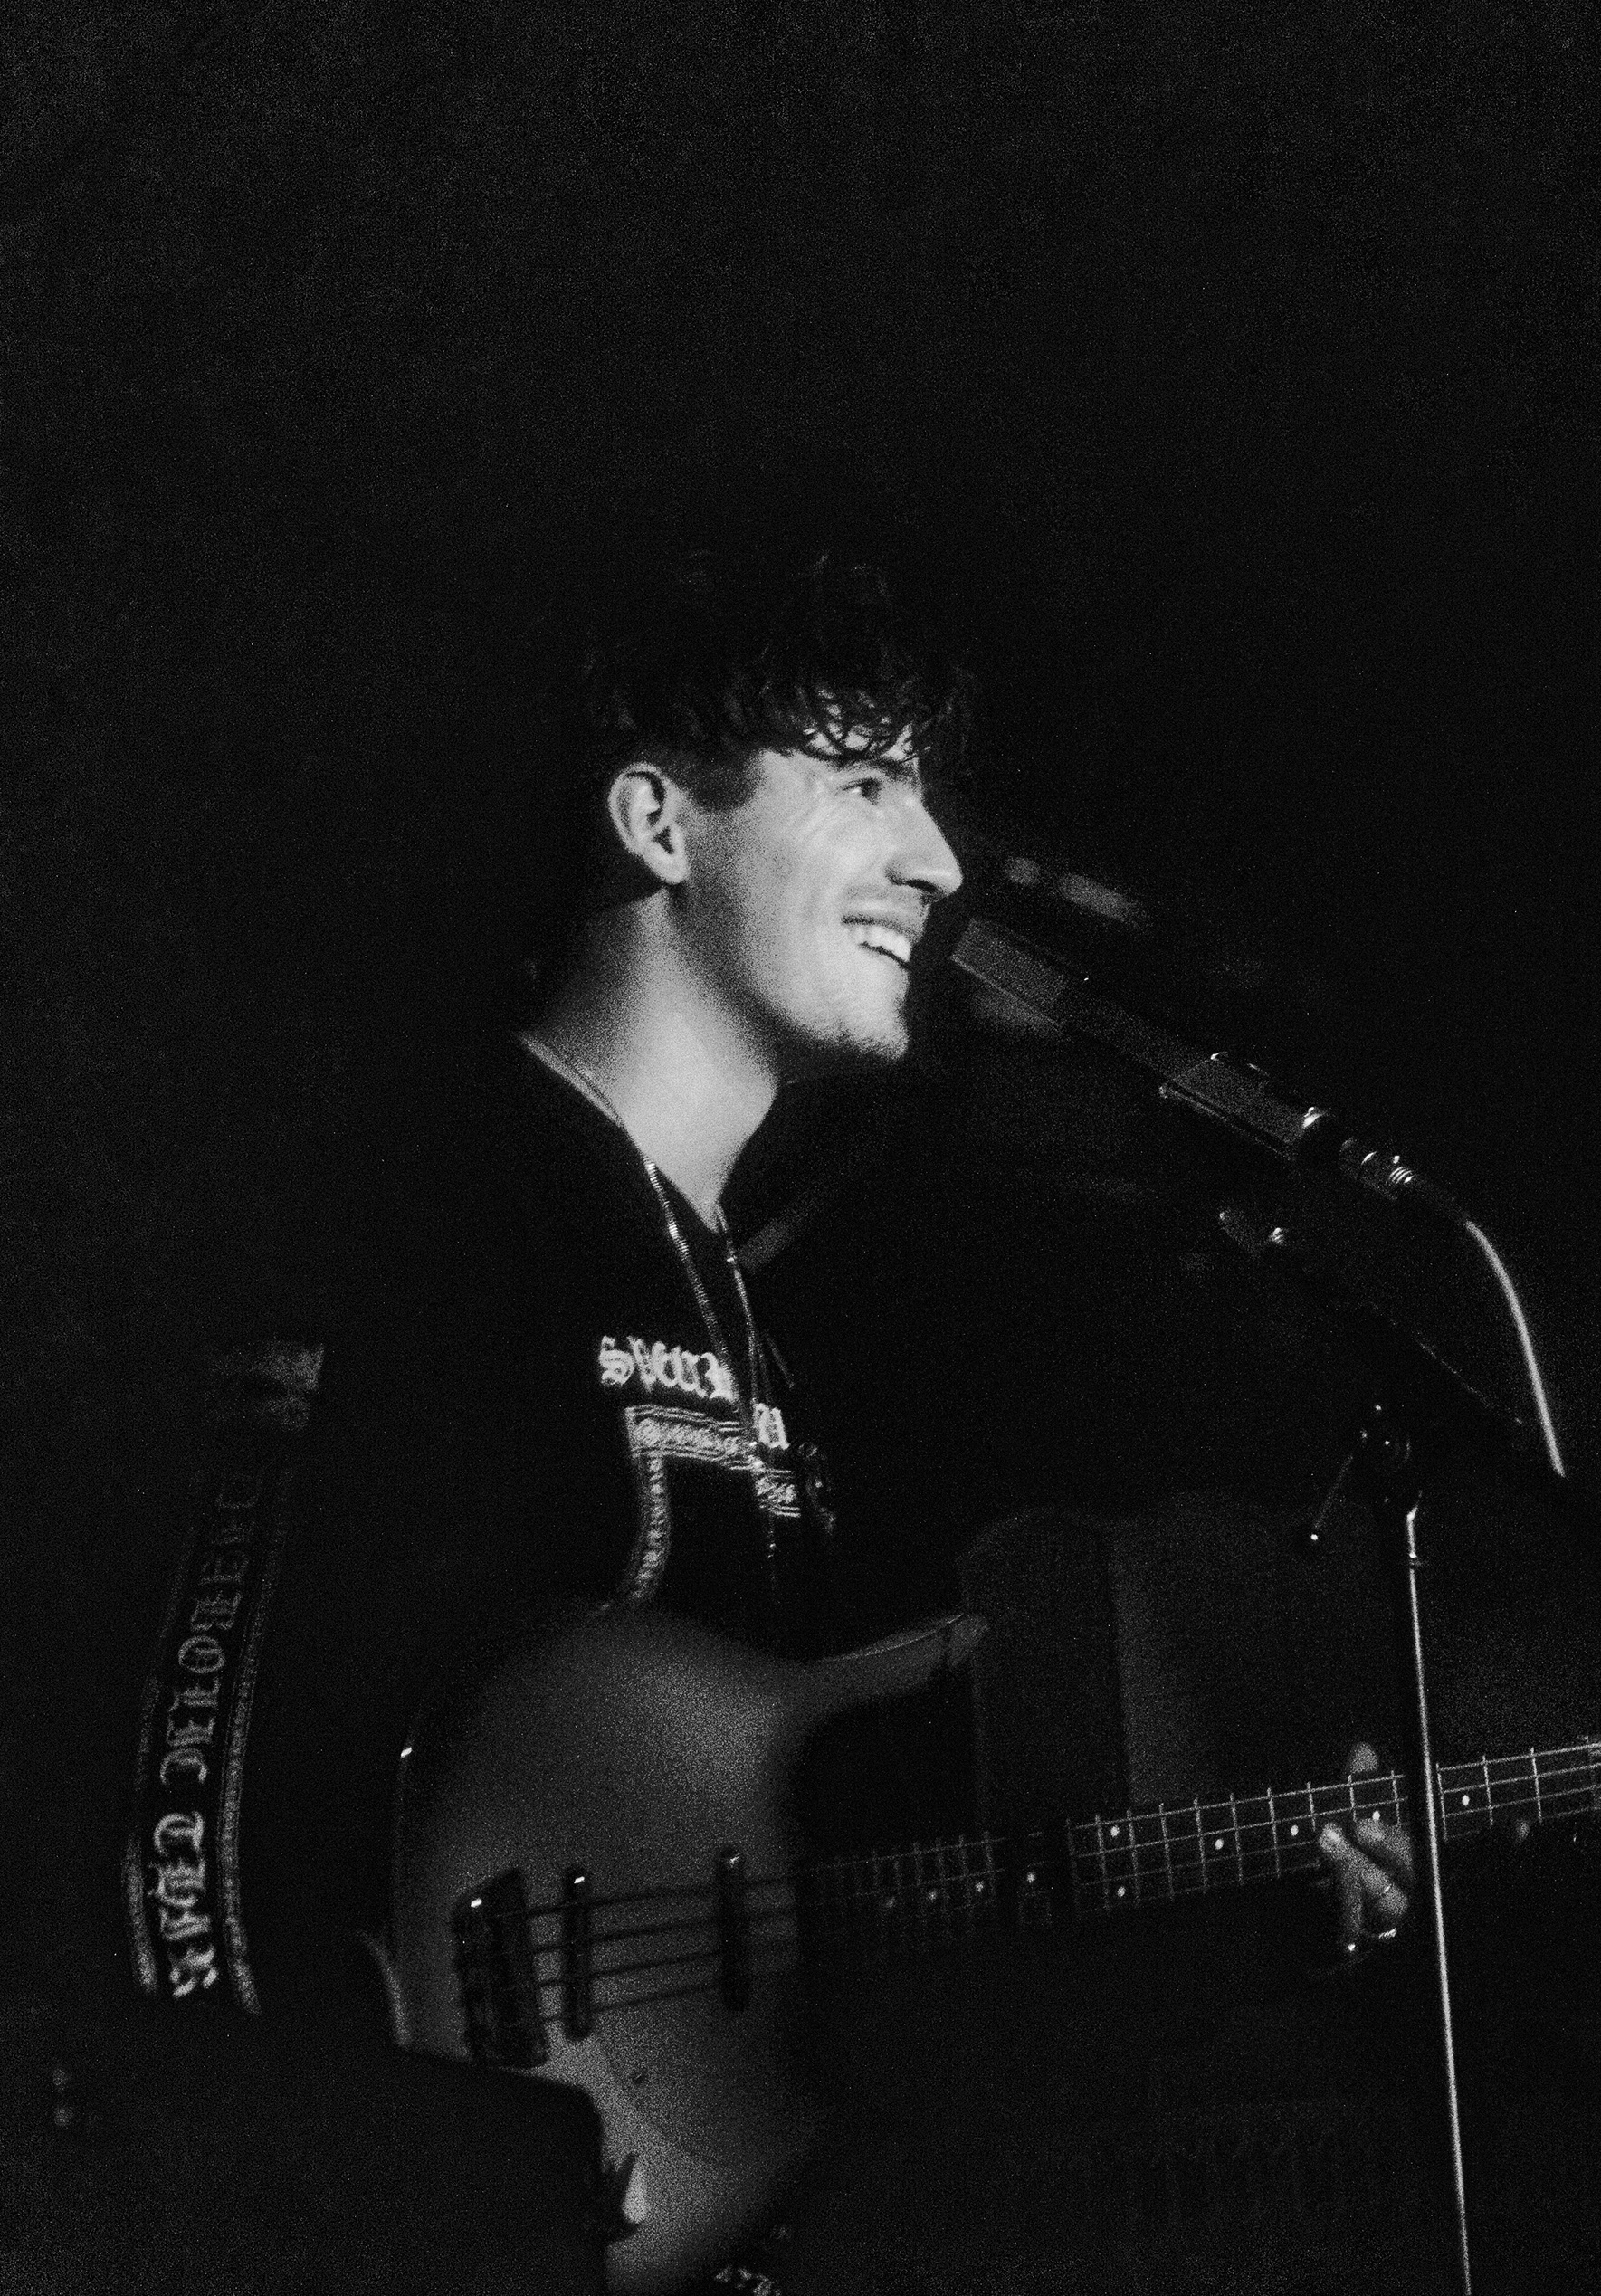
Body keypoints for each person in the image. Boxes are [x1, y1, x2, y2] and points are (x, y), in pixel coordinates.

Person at [204, 544, 1412, 2287]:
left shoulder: (745, 1302)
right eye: (861, 783)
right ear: (658, 822)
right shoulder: (435, 1202)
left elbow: (783, 1940)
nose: (936, 862)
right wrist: (370, 2161)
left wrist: (1231, 1919)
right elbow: (200, 1763)